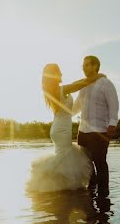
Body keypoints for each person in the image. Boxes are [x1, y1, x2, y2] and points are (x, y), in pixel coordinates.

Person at [27, 64, 103, 193]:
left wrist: (90, 78)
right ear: (54, 76)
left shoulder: (53, 91)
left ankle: (61, 195)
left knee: (63, 158)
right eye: (59, 72)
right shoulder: (60, 90)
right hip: (62, 129)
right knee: (64, 158)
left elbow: (76, 83)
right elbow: (80, 84)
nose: (62, 74)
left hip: (58, 127)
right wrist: (97, 77)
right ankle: (58, 188)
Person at [74, 55, 119, 196]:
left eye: (87, 64)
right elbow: (75, 108)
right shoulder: (83, 86)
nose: (83, 67)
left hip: (100, 131)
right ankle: (91, 189)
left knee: (100, 163)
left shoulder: (106, 83)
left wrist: (112, 125)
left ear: (95, 66)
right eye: (83, 65)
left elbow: (114, 106)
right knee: (86, 164)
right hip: (83, 132)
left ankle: (104, 194)